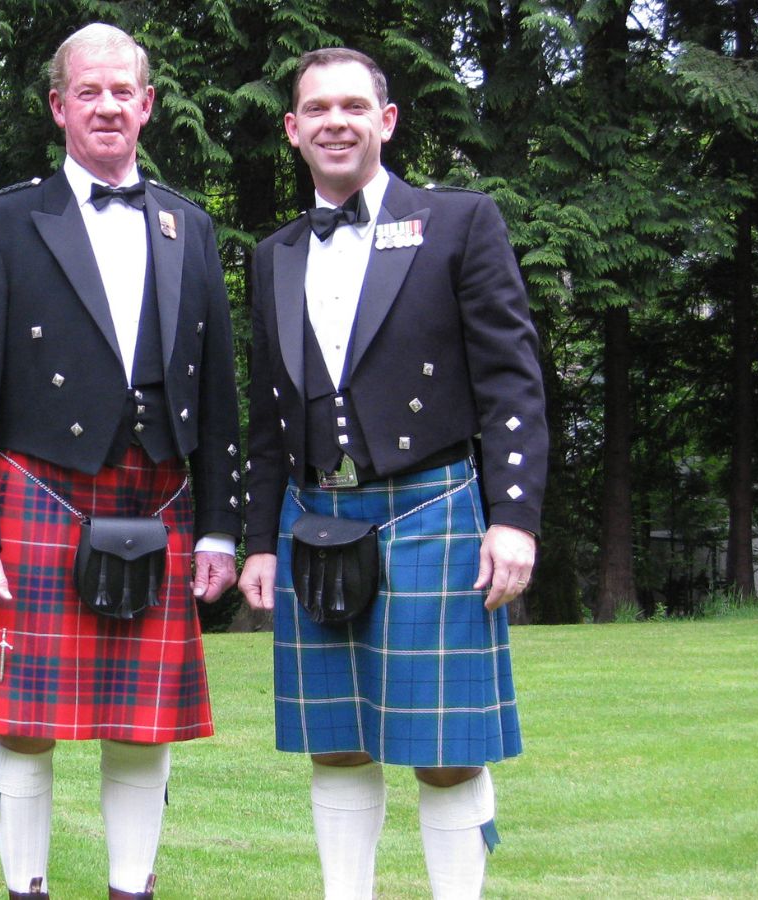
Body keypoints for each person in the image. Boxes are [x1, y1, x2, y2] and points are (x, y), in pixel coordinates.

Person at [0, 22, 243, 900]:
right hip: (38, 491)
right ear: (61, 106)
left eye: (124, 91)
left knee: (145, 727)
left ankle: (129, 889)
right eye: (89, 91)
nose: (108, 106)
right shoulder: (0, 224)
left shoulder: (192, 226)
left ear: (146, 106)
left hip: (162, 497)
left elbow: (219, 397)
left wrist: (221, 528)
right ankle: (26, 889)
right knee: (24, 724)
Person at [237, 47, 547, 899]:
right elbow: (269, 414)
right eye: (316, 110)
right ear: (295, 130)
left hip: (432, 509)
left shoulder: (459, 220)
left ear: (386, 120)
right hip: (313, 519)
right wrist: (259, 538)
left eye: (353, 106)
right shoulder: (275, 254)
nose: (336, 122)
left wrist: (512, 516)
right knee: (335, 738)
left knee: (445, 750)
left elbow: (512, 381)